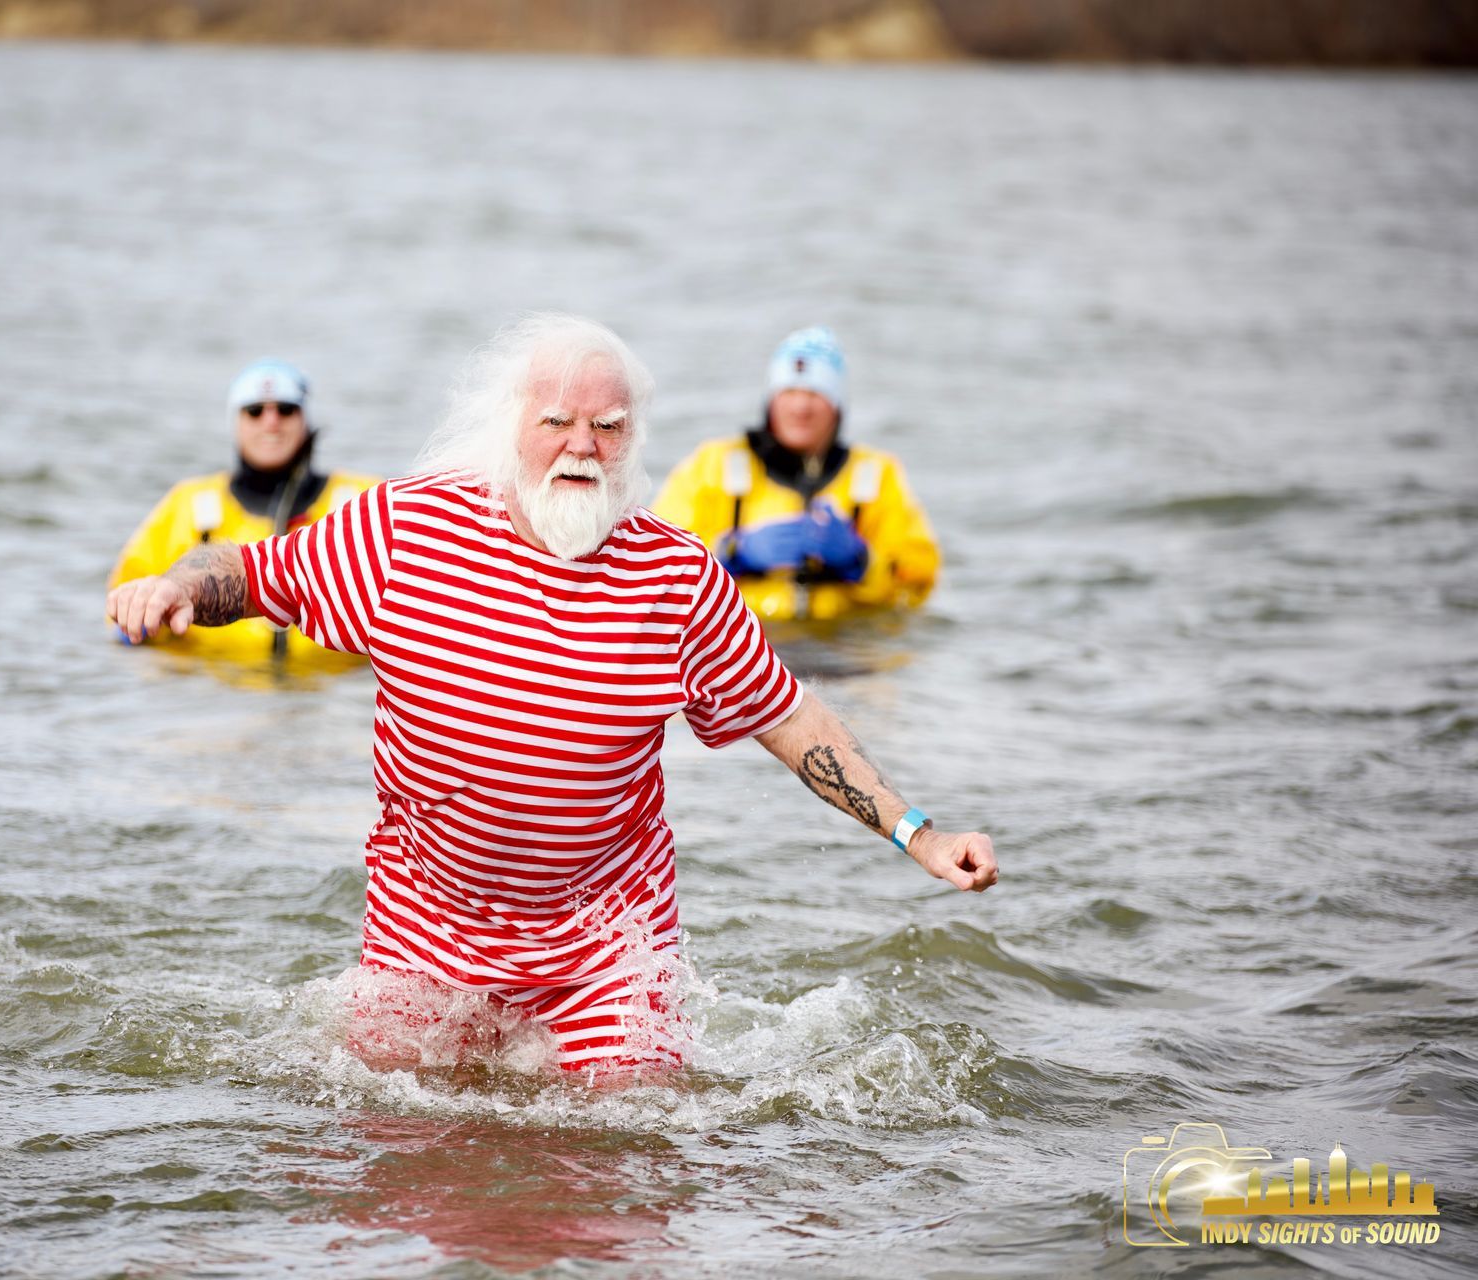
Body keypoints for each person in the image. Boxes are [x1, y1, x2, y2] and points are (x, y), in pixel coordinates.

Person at [107, 315, 996, 1077]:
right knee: (394, 1143)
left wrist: (919, 834)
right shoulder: (405, 533)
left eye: (607, 427)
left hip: (608, 942)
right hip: (426, 928)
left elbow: (789, 715)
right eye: (558, 422)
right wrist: (178, 586)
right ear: (513, 427)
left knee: (631, 1143)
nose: (582, 446)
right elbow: (248, 570)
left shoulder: (675, 578)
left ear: (632, 440)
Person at [653, 327, 939, 622]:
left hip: (841, 642)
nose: (801, 407)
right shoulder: (711, 465)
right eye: (789, 391)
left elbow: (919, 583)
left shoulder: (878, 475)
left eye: (816, 393)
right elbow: (657, 565)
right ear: (771, 400)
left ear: (837, 405)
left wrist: (861, 561)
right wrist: (729, 554)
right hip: (740, 640)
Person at [107, 358, 379, 665]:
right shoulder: (187, 503)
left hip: (335, 683)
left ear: (305, 417)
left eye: (286, 409)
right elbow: (125, 607)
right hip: (212, 679)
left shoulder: (363, 500)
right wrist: (141, 613)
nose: (271, 421)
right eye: (255, 411)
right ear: (235, 421)